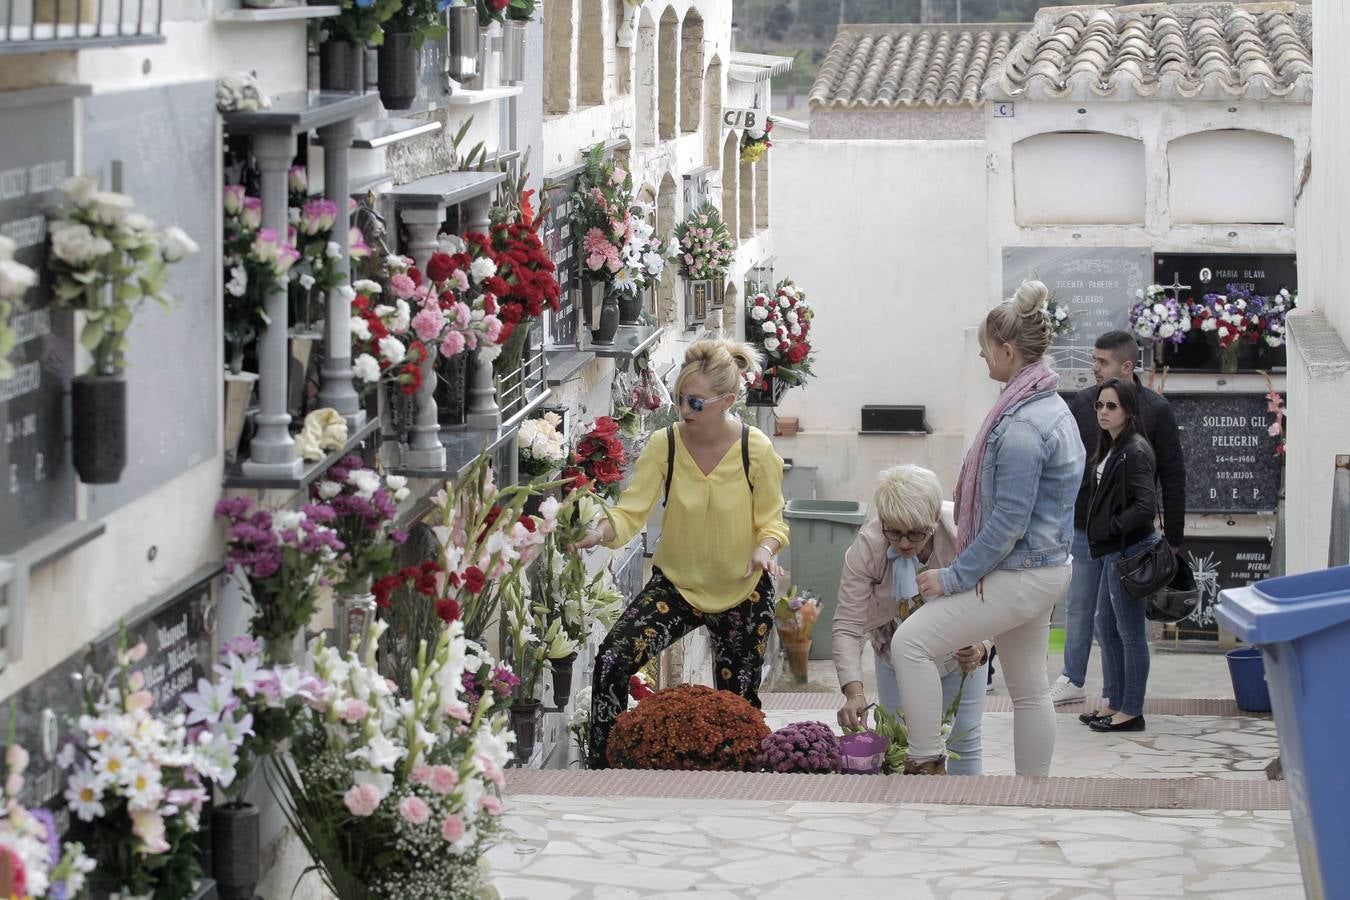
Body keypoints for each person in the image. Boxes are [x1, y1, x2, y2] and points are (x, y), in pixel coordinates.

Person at [892, 280, 1085, 776]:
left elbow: (1007, 524)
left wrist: (952, 577)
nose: (983, 360)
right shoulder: (1053, 408)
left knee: (909, 644)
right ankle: (1032, 794)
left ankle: (924, 759)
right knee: (1028, 688)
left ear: (1006, 350)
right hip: (1046, 569)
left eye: (985, 352)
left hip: (1020, 573)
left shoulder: (1022, 425)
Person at [572, 338, 791, 769]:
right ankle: (603, 769)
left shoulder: (756, 449)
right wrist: (598, 532)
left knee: (738, 710)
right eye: (678, 399)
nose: (683, 410)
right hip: (677, 586)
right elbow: (632, 511)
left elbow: (773, 521)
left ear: (727, 401)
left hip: (742, 589)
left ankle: (737, 792)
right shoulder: (664, 444)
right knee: (613, 658)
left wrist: (765, 550)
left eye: (694, 402)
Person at [1050, 330, 1185, 705]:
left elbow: (1172, 475)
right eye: (1093, 360)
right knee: (1081, 607)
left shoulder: (1155, 411)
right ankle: (1073, 678)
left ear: (1127, 367)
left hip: (1128, 536)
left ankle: (1122, 700)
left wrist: (1174, 537)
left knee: (1119, 624)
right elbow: (1068, 464)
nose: (1094, 368)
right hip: (1084, 527)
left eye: (1102, 362)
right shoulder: (1083, 402)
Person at [833, 465, 989, 775]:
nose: (904, 544)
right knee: (898, 741)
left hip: (959, 651)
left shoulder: (963, 533)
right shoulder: (867, 546)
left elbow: (991, 595)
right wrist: (854, 693)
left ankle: (967, 815)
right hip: (893, 651)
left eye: (915, 533)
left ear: (933, 520)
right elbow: (848, 623)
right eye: (893, 531)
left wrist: (982, 645)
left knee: (964, 740)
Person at [1082, 378, 1160, 732]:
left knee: (1130, 633)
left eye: (1111, 406)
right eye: (1100, 405)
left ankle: (1132, 710)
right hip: (1114, 552)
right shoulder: (1114, 447)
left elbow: (1146, 505)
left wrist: (1112, 528)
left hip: (1129, 552)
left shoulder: (1135, 450)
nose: (1103, 412)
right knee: (1105, 626)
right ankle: (1114, 701)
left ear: (1128, 412)